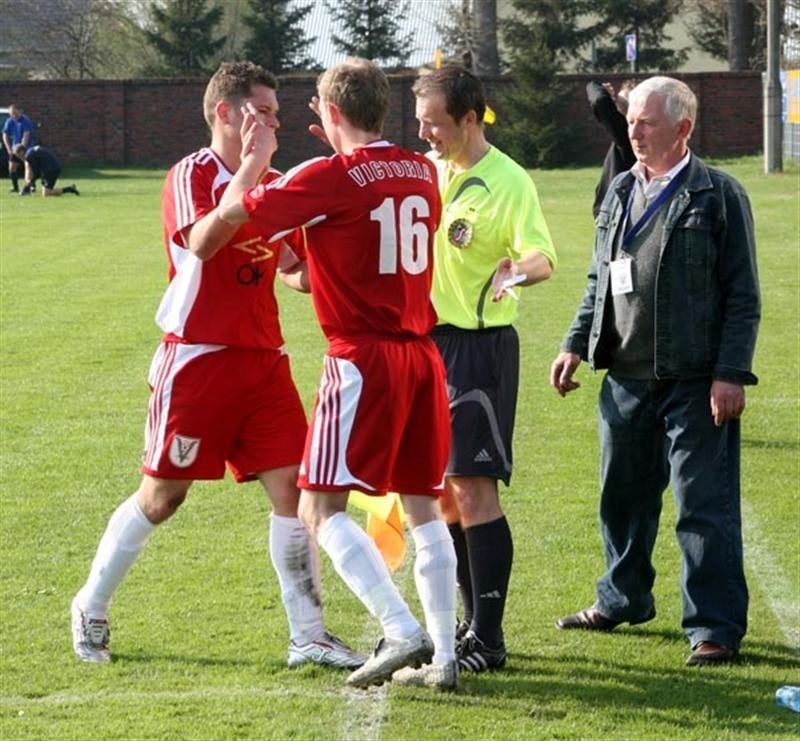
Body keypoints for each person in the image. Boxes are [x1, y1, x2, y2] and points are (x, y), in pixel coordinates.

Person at [71, 61, 364, 672]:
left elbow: (289, 264)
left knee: (297, 491)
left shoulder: (276, 179)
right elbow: (201, 242)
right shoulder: (193, 173)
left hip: (263, 361)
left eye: (277, 112)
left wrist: (348, 280)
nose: (274, 122)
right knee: (163, 497)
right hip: (198, 358)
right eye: (263, 111)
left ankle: (308, 633)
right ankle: (90, 604)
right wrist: (254, 171)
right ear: (224, 113)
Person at [219, 58, 459, 691]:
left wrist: (258, 154)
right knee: (424, 507)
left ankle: (399, 628)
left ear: (329, 113)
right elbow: (348, 251)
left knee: (318, 506)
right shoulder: (421, 171)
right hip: (421, 353)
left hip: (362, 357)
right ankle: (445, 654)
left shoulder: (331, 175)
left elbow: (242, 211)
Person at [550, 76, 760, 666]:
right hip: (625, 377)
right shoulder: (619, 190)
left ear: (683, 128)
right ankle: (622, 599)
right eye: (631, 119)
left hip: (695, 380)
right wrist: (573, 343)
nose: (633, 131)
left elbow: (743, 296)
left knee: (703, 506)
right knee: (622, 499)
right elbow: (599, 277)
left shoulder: (718, 194)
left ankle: (713, 628)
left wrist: (730, 373)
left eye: (645, 122)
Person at [412, 66, 557, 673]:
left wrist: (513, 271)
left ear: (470, 118)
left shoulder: (508, 180)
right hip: (427, 348)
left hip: (479, 350)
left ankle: (489, 640)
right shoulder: (431, 173)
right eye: (420, 123)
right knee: (444, 492)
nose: (426, 136)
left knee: (473, 491)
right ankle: (473, 627)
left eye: (435, 124)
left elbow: (542, 256)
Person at [586, 79, 636, 218]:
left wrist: (597, 86)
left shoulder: (628, 135)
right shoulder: (626, 135)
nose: (615, 102)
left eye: (620, 98)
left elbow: (600, 102)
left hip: (617, 217)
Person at [15, 144, 79, 196]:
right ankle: (27, 190)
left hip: (51, 169)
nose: (19, 158)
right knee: (45, 190)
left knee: (46, 193)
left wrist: (30, 183)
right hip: (50, 168)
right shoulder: (30, 151)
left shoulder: (29, 156)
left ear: (22, 151)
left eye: (18, 155)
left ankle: (70, 189)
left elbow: (36, 172)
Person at [2, 104, 36, 193]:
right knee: (12, 167)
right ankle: (15, 187)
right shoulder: (9, 121)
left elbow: (26, 135)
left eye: (15, 113)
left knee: (28, 167)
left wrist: (21, 149)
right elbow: (5, 134)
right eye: (12, 114)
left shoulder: (25, 120)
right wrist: (9, 149)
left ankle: (31, 186)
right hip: (15, 148)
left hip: (26, 148)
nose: (14, 115)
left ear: (19, 112)